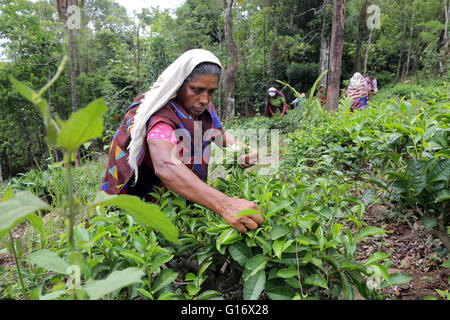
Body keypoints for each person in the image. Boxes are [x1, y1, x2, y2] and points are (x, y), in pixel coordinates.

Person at [100, 49, 263, 233]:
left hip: (180, 193)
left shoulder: (201, 107)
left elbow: (217, 133)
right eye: (196, 90)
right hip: (145, 194)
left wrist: (239, 148)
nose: (204, 99)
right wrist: (226, 205)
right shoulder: (160, 114)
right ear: (179, 85)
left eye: (211, 92)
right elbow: (166, 165)